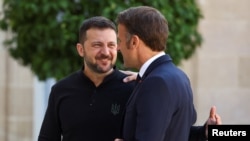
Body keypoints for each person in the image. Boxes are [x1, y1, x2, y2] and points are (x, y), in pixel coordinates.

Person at [38, 16, 220, 141]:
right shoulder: (61, 90)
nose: (106, 52)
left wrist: (205, 133)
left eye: (111, 45)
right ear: (80, 49)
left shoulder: (135, 87)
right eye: (97, 45)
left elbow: (165, 131)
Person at [116, 6, 218, 141]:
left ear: (134, 41)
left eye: (120, 41)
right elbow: (175, 132)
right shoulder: (178, 76)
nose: (118, 47)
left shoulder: (156, 83)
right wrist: (204, 133)